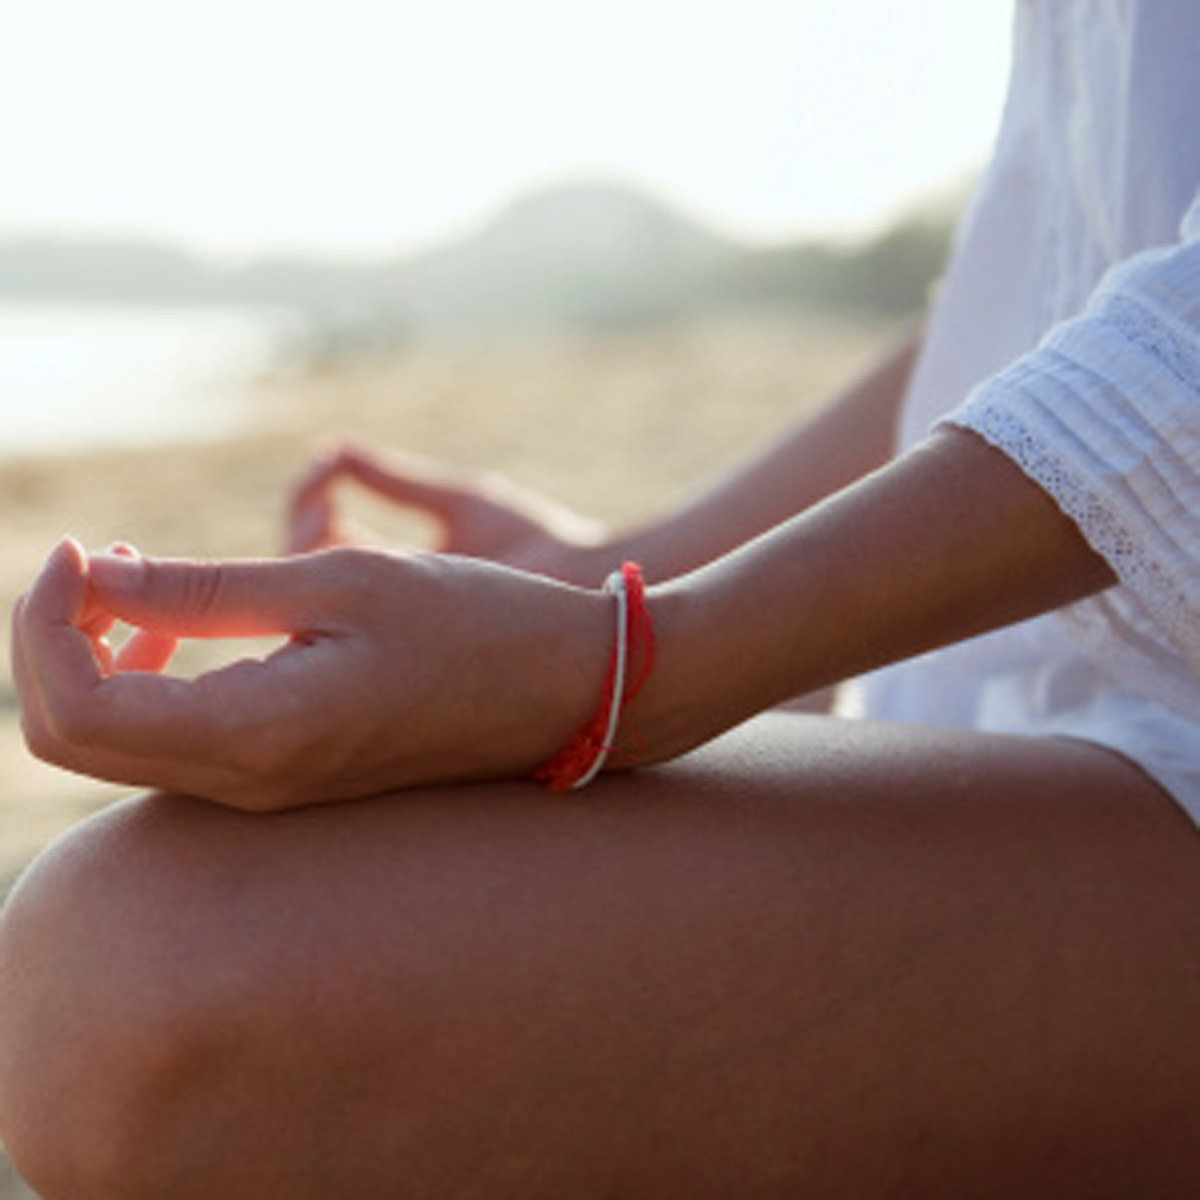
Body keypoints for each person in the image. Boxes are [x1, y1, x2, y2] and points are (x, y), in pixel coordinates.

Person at [2, 2, 1198, 1195]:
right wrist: (635, 568)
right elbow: (1057, 270)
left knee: (137, 987)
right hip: (1021, 727)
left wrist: (634, 665)